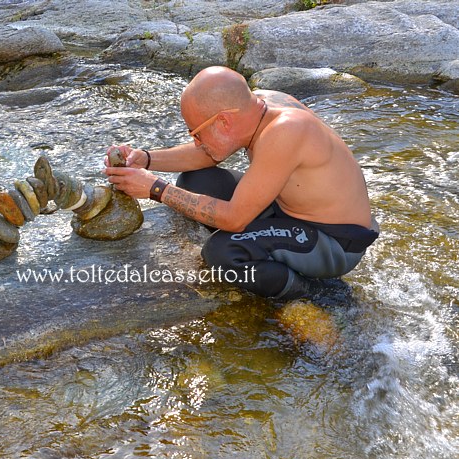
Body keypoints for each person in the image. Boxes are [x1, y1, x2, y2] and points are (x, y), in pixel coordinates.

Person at [103, 66, 379, 299]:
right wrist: (146, 160)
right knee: (196, 180)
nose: (196, 141)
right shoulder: (256, 106)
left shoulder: (286, 131)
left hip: (334, 241)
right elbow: (207, 154)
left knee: (222, 252)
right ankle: (273, 254)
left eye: (196, 133)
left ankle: (315, 295)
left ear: (223, 121)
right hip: (289, 209)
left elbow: (234, 219)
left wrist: (155, 189)